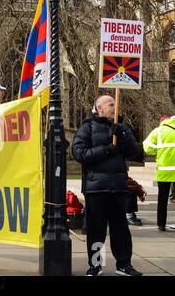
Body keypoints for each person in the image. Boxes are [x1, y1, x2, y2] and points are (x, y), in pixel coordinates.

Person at [72, 95, 142, 276]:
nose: (114, 106)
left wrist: (123, 135)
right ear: (100, 108)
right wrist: (104, 150)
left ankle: (124, 264)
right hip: (96, 188)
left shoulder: (121, 128)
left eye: (115, 104)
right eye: (111, 104)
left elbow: (135, 152)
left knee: (121, 229)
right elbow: (79, 153)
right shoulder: (87, 127)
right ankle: (95, 265)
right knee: (96, 230)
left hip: (118, 187)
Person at [143, 115, 175, 231]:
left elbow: (147, 148)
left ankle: (161, 224)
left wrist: (158, 150)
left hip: (164, 170)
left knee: (162, 199)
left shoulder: (158, 131)